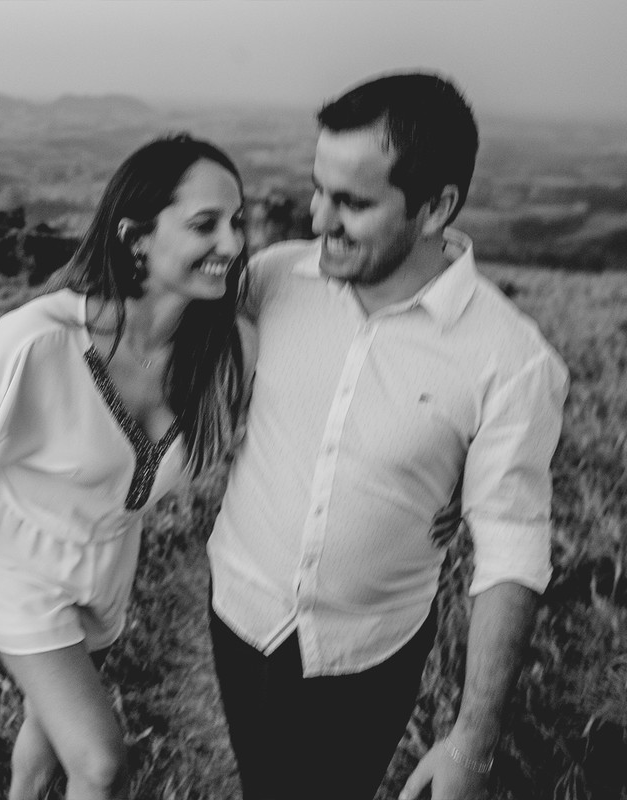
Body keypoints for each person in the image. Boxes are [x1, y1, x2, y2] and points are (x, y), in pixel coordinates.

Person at [206, 72, 569, 800]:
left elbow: (512, 549)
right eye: (318, 189)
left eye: (352, 203)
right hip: (238, 616)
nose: (318, 219)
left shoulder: (512, 358)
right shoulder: (273, 278)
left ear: (436, 207)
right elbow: (150, 324)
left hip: (369, 655)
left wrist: (474, 740)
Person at [0, 133, 254, 800]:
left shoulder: (219, 348)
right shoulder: (36, 340)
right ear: (136, 237)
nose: (232, 244)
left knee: (47, 723)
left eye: (239, 222)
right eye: (206, 224)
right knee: (100, 762)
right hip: (14, 564)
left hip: (101, 571)